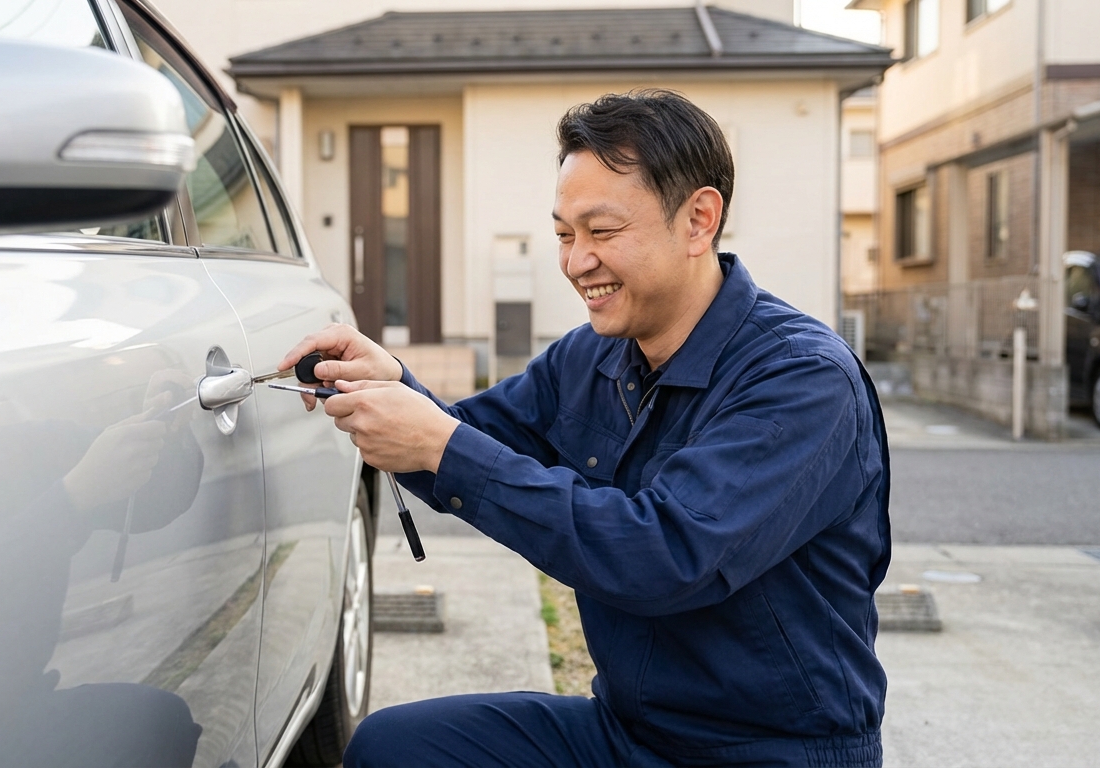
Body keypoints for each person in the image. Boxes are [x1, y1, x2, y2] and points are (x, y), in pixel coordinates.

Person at [280, 89, 890, 768]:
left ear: (699, 220)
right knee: (394, 748)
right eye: (565, 235)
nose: (576, 263)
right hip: (627, 734)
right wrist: (390, 383)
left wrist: (438, 442)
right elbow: (469, 440)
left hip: (775, 751)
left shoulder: (800, 379)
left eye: (601, 232)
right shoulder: (594, 354)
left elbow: (663, 557)